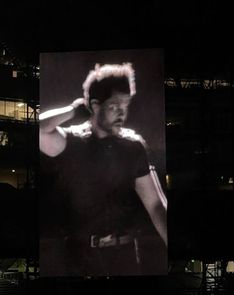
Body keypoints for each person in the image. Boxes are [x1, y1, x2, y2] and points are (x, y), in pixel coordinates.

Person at [40, 63, 167, 276]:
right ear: (96, 106)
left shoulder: (133, 146)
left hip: (124, 258)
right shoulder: (71, 141)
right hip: (79, 259)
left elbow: (156, 205)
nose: (122, 112)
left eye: (125, 105)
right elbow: (39, 130)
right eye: (114, 105)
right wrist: (73, 110)